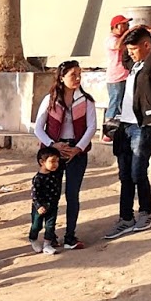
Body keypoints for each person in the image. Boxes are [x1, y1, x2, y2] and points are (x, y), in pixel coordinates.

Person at [105, 24, 151, 239]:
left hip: (145, 126)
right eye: (130, 50)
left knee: (138, 172)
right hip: (126, 126)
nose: (130, 53)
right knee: (125, 175)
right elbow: (123, 52)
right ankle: (125, 218)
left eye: (135, 49)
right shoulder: (134, 65)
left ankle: (145, 213)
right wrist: (136, 29)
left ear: (147, 46)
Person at [32, 59, 97, 249]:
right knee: (50, 196)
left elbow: (92, 127)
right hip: (54, 153)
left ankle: (70, 236)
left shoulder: (86, 100)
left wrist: (78, 148)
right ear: (61, 77)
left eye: (79, 74)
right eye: (73, 75)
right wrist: (53, 146)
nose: (77, 78)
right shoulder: (50, 99)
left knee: (72, 194)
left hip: (77, 151)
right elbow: (38, 128)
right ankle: (48, 236)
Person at [28, 146, 63, 255]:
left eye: (57, 161)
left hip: (52, 205)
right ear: (42, 162)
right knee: (36, 225)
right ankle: (33, 239)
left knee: (50, 225)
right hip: (40, 207)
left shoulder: (55, 174)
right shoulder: (38, 178)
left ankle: (47, 244)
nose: (56, 164)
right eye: (52, 161)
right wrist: (38, 206)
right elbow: (34, 195)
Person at [105, 14, 131, 123]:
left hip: (125, 76)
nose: (127, 27)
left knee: (123, 104)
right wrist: (127, 33)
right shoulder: (111, 39)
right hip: (116, 78)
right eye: (124, 24)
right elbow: (117, 46)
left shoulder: (122, 39)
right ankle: (109, 124)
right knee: (115, 102)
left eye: (127, 24)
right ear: (116, 26)